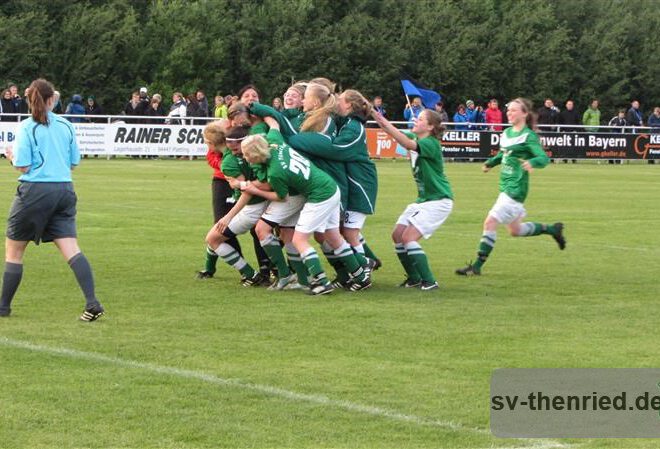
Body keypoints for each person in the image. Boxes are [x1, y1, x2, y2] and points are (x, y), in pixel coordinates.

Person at [0, 78, 105, 321]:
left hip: (35, 191)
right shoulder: (66, 125)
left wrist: (11, 157)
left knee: (14, 251)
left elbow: (24, 165)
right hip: (64, 190)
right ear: (52, 100)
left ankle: (3, 307)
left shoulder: (27, 127)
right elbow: (74, 162)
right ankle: (92, 301)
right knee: (71, 248)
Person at [240, 127, 372, 295]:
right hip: (330, 187)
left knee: (299, 240)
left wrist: (255, 190)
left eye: (246, 154)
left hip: (319, 195)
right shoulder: (276, 143)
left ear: (255, 154)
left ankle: (321, 282)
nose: (245, 157)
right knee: (332, 236)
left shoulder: (275, 172)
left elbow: (282, 197)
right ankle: (361, 277)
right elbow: (273, 125)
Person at [455, 98, 565, 277]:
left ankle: (476, 266)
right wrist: (490, 163)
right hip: (505, 186)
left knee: (490, 222)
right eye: (508, 110)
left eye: (514, 110)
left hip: (515, 188)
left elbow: (543, 158)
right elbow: (503, 154)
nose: (509, 113)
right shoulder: (506, 133)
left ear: (524, 114)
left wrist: (532, 162)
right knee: (515, 230)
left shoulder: (528, 136)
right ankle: (552, 229)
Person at [370, 108, 453, 291]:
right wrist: (376, 115)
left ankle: (430, 281)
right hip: (424, 199)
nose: (415, 119)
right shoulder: (418, 138)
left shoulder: (430, 143)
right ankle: (414, 279)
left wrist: (381, 119)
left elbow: (406, 143)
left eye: (421, 119)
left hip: (438, 200)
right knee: (397, 235)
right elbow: (395, 132)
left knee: (408, 238)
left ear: (430, 127)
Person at [203, 125, 268, 287]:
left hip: (251, 207)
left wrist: (229, 216)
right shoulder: (245, 152)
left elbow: (247, 191)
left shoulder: (228, 162)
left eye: (206, 143)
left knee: (212, 238)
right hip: (263, 202)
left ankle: (251, 275)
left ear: (212, 143)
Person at [196, 119, 243, 279]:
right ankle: (211, 267)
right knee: (221, 226)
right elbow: (211, 158)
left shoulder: (233, 137)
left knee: (223, 228)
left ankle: (248, 270)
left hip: (237, 182)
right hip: (222, 182)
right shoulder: (222, 127)